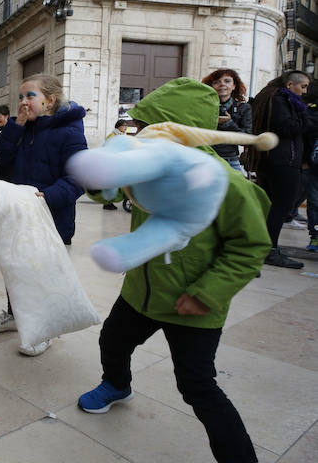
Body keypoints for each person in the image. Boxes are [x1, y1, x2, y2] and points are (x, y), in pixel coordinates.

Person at [77, 78, 270, 463]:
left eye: (148, 127)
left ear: (179, 132)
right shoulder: (147, 167)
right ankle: (116, 384)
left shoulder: (227, 184)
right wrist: (112, 159)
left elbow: (251, 246)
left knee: (197, 386)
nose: (140, 134)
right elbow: (101, 191)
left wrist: (207, 294)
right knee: (113, 342)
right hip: (140, 293)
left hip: (193, 305)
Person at [0, 73, 87, 356]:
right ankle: (15, 315)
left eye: (30, 96)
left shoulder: (69, 131)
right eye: (20, 97)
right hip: (18, 213)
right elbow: (1, 159)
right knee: (13, 267)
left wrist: (48, 196)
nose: (23, 102)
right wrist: (16, 126)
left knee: (44, 276)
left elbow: (78, 177)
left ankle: (46, 328)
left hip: (50, 217)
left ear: (50, 100)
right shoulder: (22, 128)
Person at [248, 71, 318, 268]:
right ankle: (269, 250)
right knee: (281, 207)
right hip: (283, 160)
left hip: (272, 159)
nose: (304, 92)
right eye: (302, 87)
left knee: (272, 206)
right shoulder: (281, 99)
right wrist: (311, 119)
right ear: (290, 85)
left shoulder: (274, 97)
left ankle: (263, 247)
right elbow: (287, 127)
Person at [202, 68, 251, 173]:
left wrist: (229, 124)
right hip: (207, 159)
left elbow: (247, 139)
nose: (222, 84)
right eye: (216, 82)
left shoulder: (243, 108)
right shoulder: (203, 107)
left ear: (234, 86)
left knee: (241, 188)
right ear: (211, 87)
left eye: (227, 81)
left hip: (231, 160)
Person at [102, 120, 129, 210]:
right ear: (118, 126)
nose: (125, 128)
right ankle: (107, 203)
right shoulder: (112, 136)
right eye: (124, 126)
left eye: (126, 126)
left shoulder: (121, 136)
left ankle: (110, 202)